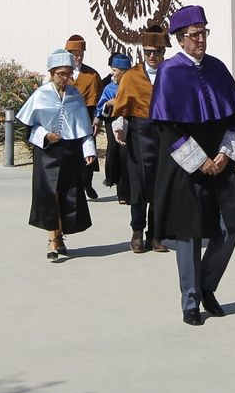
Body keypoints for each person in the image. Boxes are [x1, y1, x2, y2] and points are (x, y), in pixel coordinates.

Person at [149, 5, 235, 326]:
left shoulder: (218, 68)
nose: (201, 40)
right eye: (194, 35)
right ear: (180, 40)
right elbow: (168, 127)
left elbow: (232, 114)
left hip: (220, 160)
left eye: (204, 32)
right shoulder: (169, 72)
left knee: (231, 227)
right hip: (186, 166)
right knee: (189, 234)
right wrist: (198, 160)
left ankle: (207, 286)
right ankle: (190, 301)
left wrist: (225, 152)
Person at [17, 49, 97, 262]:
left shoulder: (75, 96)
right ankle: (52, 239)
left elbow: (84, 128)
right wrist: (46, 135)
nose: (65, 77)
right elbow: (28, 126)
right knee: (49, 193)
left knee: (67, 194)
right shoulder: (40, 95)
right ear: (52, 73)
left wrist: (89, 150)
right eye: (61, 73)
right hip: (47, 152)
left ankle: (60, 236)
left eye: (68, 73)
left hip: (70, 152)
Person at [110, 25, 170, 253]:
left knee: (161, 185)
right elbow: (121, 106)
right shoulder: (132, 75)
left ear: (164, 52)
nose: (152, 56)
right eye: (148, 52)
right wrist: (119, 127)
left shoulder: (172, 73)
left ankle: (156, 234)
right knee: (138, 186)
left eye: (157, 52)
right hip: (139, 133)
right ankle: (137, 230)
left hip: (165, 133)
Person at [66, 35, 104, 200]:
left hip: (87, 116)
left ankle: (87, 183)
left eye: (80, 53)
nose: (78, 56)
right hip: (66, 117)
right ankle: (73, 185)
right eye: (74, 53)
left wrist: (97, 119)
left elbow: (99, 100)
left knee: (88, 151)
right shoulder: (61, 73)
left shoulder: (91, 75)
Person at [98, 52, 132, 196]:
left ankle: (124, 190)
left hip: (130, 124)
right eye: (112, 70)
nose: (113, 73)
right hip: (112, 122)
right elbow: (101, 109)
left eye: (116, 71)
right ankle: (113, 178)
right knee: (114, 151)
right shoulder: (109, 88)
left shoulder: (133, 87)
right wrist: (109, 104)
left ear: (124, 73)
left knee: (126, 155)